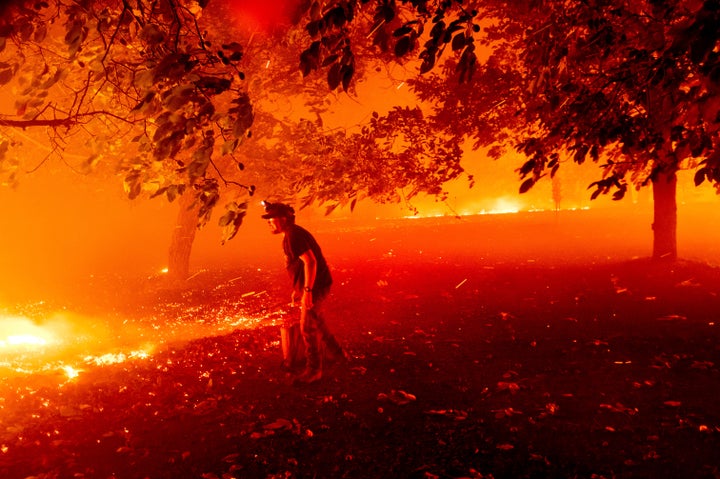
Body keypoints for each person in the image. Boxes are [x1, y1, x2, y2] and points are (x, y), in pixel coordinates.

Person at [262, 200, 347, 385]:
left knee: (307, 328)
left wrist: (307, 291)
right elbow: (300, 266)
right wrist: (298, 289)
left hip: (316, 286)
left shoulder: (293, 235)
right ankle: (339, 355)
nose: (269, 222)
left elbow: (310, 262)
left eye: (272, 218)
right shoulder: (292, 233)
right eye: (267, 219)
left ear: (284, 219)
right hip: (314, 285)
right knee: (318, 322)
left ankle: (314, 370)